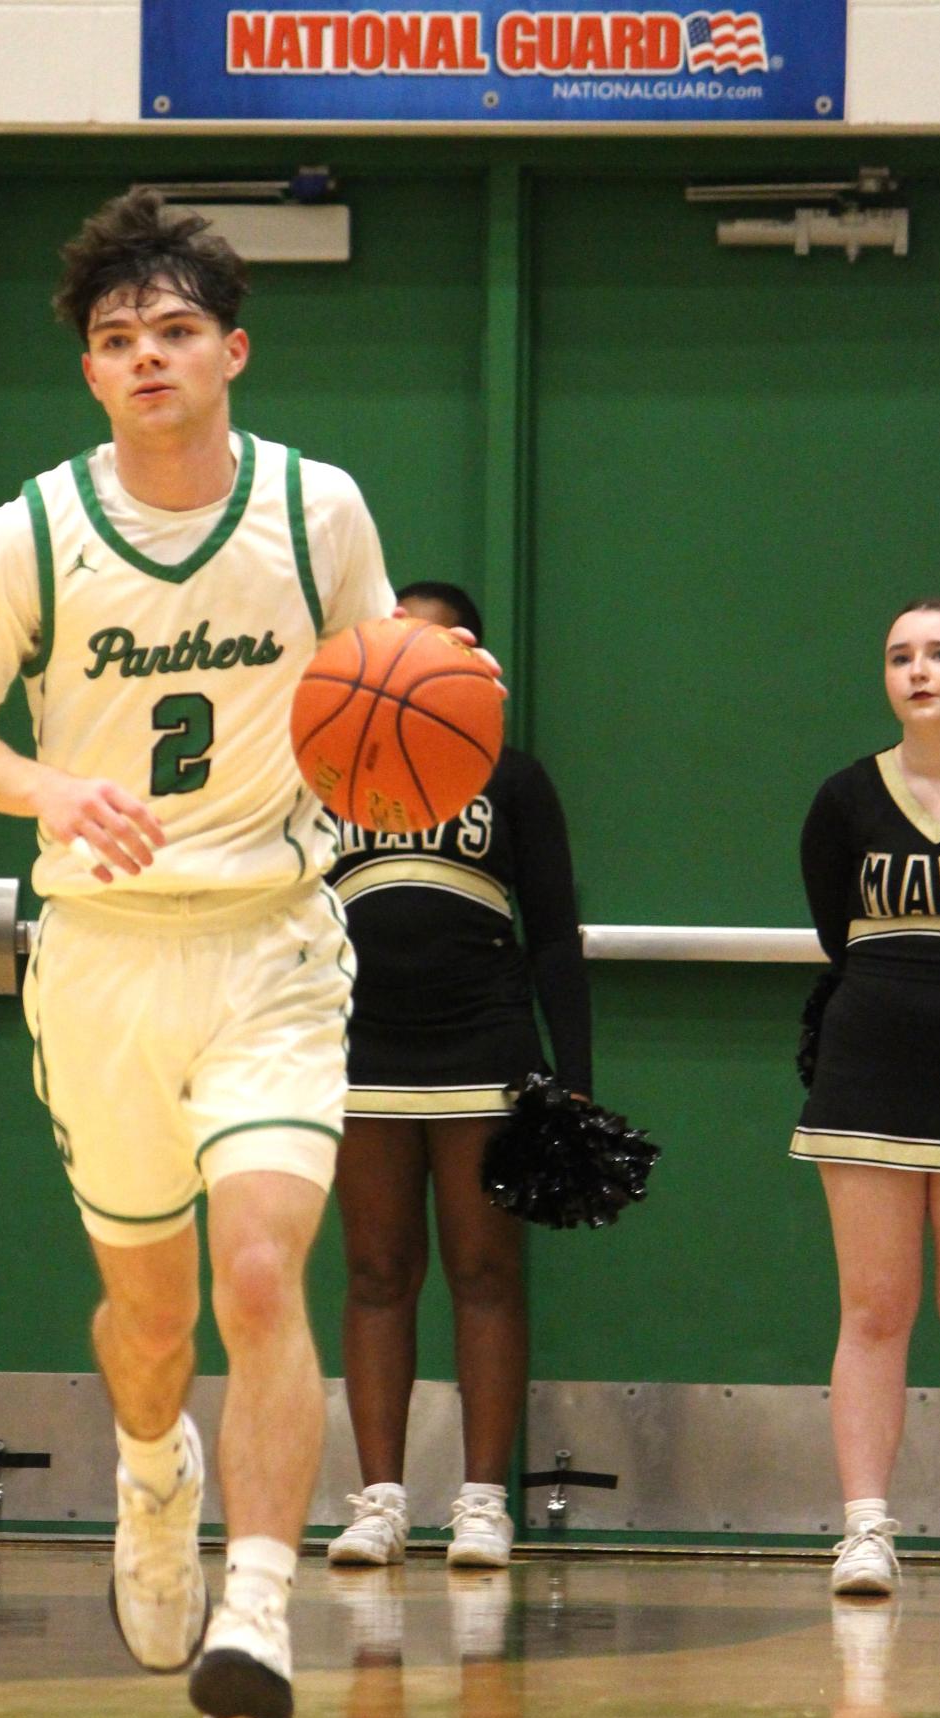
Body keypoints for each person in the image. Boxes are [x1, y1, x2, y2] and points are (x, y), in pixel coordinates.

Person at [0, 189, 401, 1718]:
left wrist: (434, 706)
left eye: (176, 330)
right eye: (118, 339)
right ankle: (149, 1469)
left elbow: (383, 695)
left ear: (233, 348)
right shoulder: (31, 533)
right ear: (91, 373)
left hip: (269, 939)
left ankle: (258, 1597)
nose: (148, 357)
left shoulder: (319, 509)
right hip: (105, 958)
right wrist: (52, 790)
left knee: (262, 1268)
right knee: (153, 1320)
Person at [325, 581, 590, 1571]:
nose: (408, 661)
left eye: (430, 645)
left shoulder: (511, 778)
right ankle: (379, 1502)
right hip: (360, 1046)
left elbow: (556, 934)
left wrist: (574, 1076)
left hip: (482, 1042)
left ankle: (482, 1503)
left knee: (484, 1269)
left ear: (469, 665)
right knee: (375, 1269)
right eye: (394, 640)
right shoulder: (328, 771)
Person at [792, 597, 940, 1598]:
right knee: (871, 1306)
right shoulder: (844, 800)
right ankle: (865, 1529)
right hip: (866, 1070)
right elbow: (835, 927)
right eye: (900, 654)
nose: (918, 670)